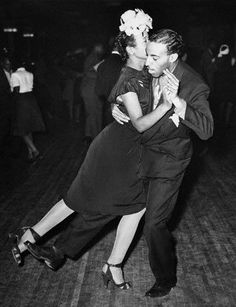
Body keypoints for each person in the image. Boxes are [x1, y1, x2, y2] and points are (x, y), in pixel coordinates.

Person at [9, 9, 169, 290]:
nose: (149, 40)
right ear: (130, 48)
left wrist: (114, 104)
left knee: (129, 205)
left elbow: (128, 94)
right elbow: (122, 94)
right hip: (115, 150)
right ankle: (37, 241)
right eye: (143, 37)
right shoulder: (125, 71)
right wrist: (123, 103)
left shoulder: (148, 69)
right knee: (82, 199)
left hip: (130, 149)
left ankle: (103, 262)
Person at [112, 29, 213, 297]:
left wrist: (179, 103)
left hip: (170, 160)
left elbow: (206, 130)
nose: (147, 63)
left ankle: (165, 278)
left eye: (155, 58)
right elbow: (132, 92)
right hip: (142, 153)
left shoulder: (193, 83)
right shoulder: (152, 69)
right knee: (114, 202)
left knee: (154, 224)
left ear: (173, 57)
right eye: (148, 56)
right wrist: (117, 106)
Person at [11, 60, 45, 161]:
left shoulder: (14, 74)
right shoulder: (30, 74)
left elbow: (17, 90)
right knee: (28, 127)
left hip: (22, 101)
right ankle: (30, 153)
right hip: (31, 99)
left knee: (21, 129)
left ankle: (35, 151)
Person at [95, 38, 125, 126]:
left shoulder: (102, 65)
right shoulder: (125, 64)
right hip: (124, 108)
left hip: (107, 107)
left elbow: (98, 91)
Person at [0, 56, 13, 156]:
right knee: (4, 125)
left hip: (13, 103)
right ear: (2, 64)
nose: (9, 66)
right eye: (7, 64)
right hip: (4, 104)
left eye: (10, 64)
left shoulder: (14, 73)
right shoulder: (1, 75)